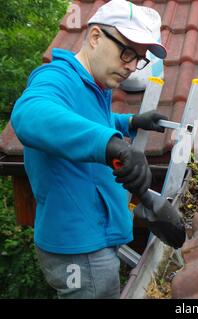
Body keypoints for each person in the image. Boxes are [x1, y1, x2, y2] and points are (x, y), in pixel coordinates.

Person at [11, 0, 168, 299]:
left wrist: (130, 121)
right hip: (79, 252)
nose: (132, 67)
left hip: (94, 236)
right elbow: (30, 113)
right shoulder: (56, 78)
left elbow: (90, 122)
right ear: (96, 37)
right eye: (127, 53)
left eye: (139, 59)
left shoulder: (94, 85)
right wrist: (110, 144)